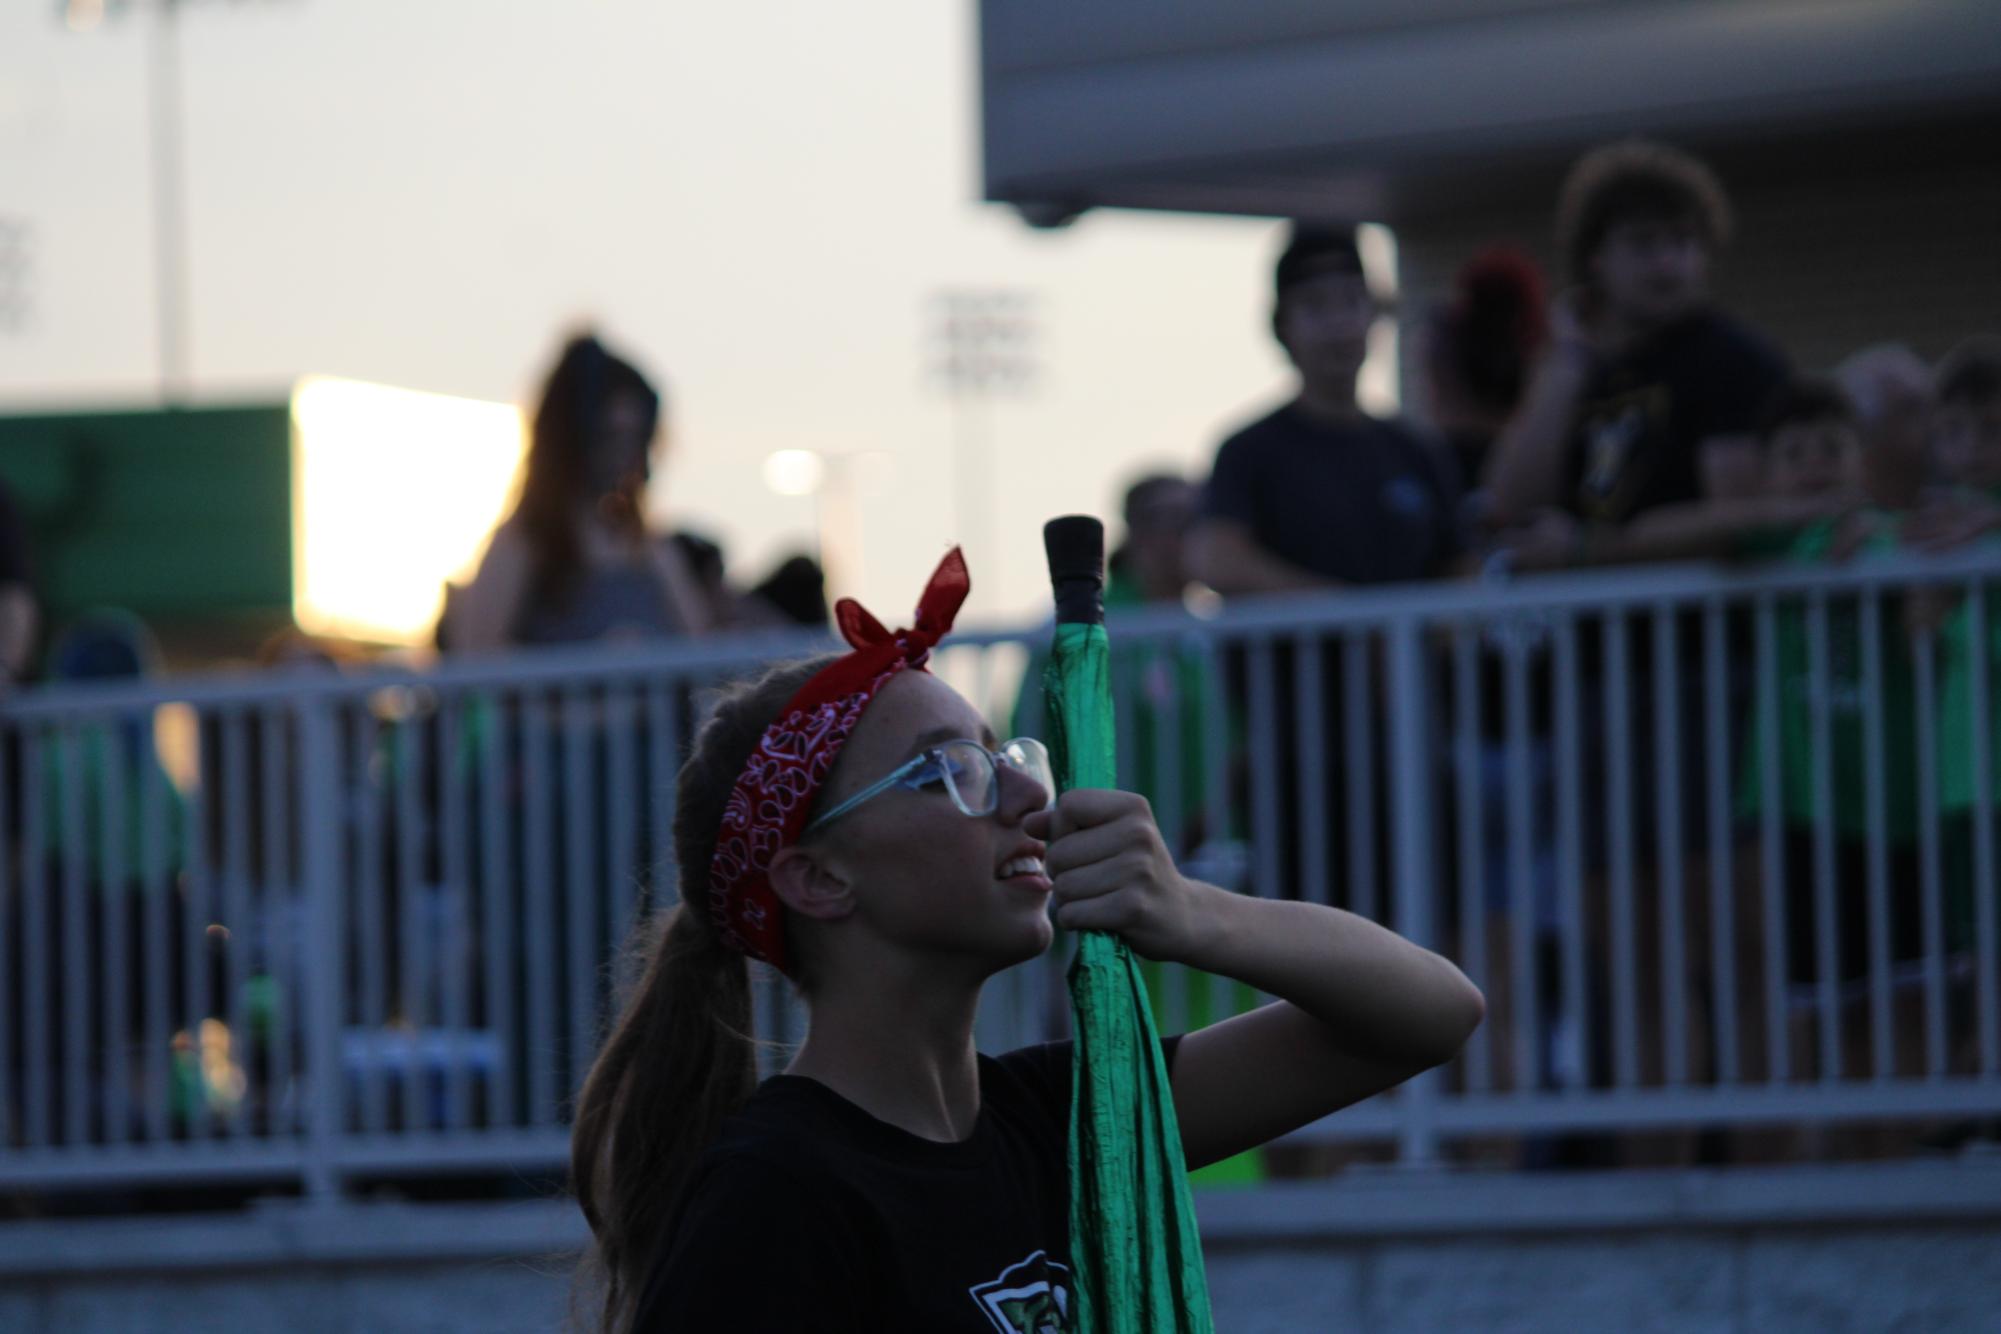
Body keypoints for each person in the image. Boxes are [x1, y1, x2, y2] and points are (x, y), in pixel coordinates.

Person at [570, 550, 1484, 1331]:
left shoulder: (1061, 1117)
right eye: (946, 773)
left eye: (1005, 757)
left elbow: (1428, 1014)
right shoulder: (776, 1195)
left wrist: (1192, 913)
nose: (1027, 801)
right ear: (818, 878)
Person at [1484, 139, 1791, 543]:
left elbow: (1738, 526)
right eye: (1642, 242)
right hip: (1593, 606)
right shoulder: (1574, 367)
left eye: (1682, 241)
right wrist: (1565, 364)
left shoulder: (1736, 360)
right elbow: (1508, 506)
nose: (1666, 263)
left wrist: (1587, 552)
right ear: (1595, 258)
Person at [1189, 223, 1465, 594]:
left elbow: (1461, 564)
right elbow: (1217, 559)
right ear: (1281, 326)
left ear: (1373, 315)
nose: (1338, 325)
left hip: (1407, 654)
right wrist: (1349, 618)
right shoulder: (1248, 453)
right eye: (1315, 306)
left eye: (1351, 301)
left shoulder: (1417, 450)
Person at [449, 334, 712, 652]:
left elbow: (698, 648)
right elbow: (478, 657)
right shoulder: (522, 544)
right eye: (610, 436)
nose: (622, 455)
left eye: (634, 437)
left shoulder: (649, 548)